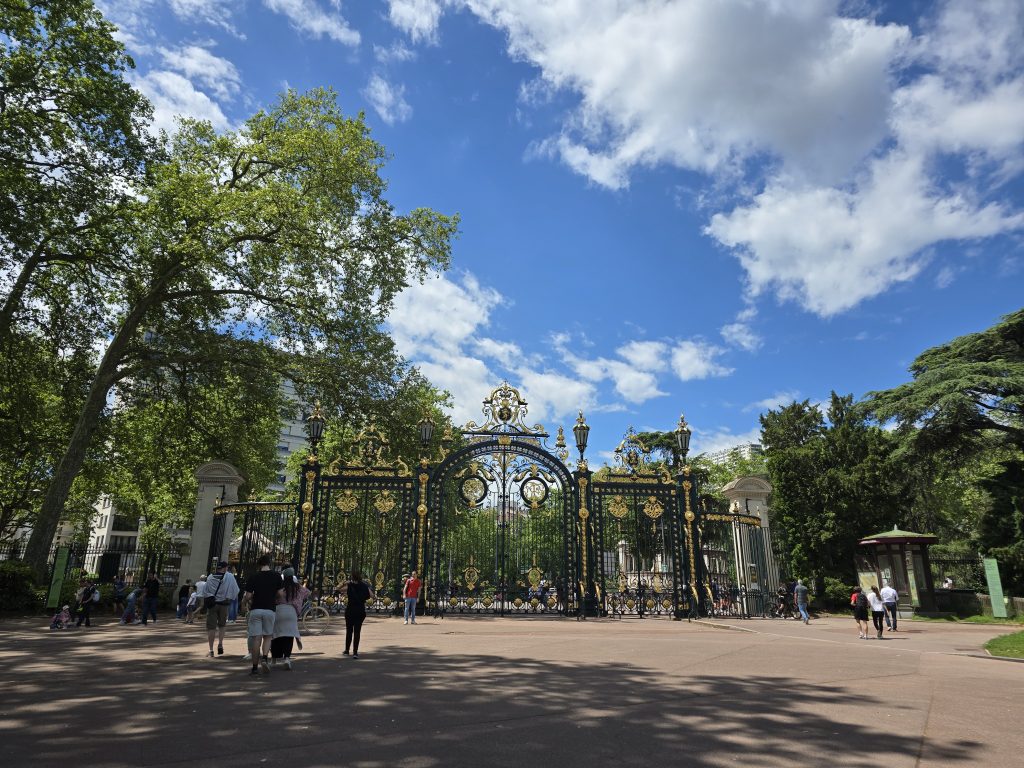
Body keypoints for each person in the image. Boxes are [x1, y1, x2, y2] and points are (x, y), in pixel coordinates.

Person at [242, 554, 283, 676]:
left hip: (256, 609)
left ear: (259, 564)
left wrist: (244, 603)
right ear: (269, 563)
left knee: (256, 638)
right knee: (268, 636)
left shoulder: (254, 577)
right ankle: (265, 658)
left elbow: (248, 596)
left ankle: (254, 667)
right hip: (270, 609)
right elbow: (280, 594)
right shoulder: (276, 576)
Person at [271, 567, 309, 669]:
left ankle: (274, 658)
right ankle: (287, 658)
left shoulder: (280, 587)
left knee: (276, 636)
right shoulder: (298, 587)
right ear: (292, 576)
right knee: (289, 637)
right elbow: (307, 593)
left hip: (278, 611)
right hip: (291, 613)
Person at [201, 561, 239, 658]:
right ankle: (220, 644)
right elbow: (236, 590)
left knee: (211, 627)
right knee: (222, 625)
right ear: (225, 568)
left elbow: (205, 591)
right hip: (224, 604)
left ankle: (210, 650)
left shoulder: (210, 577)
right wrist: (230, 597)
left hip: (213, 605)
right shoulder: (230, 577)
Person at [344, 569, 374, 658]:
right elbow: (372, 595)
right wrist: (366, 587)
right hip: (360, 611)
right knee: (357, 632)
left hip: (350, 610)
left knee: (349, 631)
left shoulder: (349, 585)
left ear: (352, 577)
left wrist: (344, 583)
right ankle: (355, 652)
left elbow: (338, 589)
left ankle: (346, 650)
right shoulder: (364, 586)